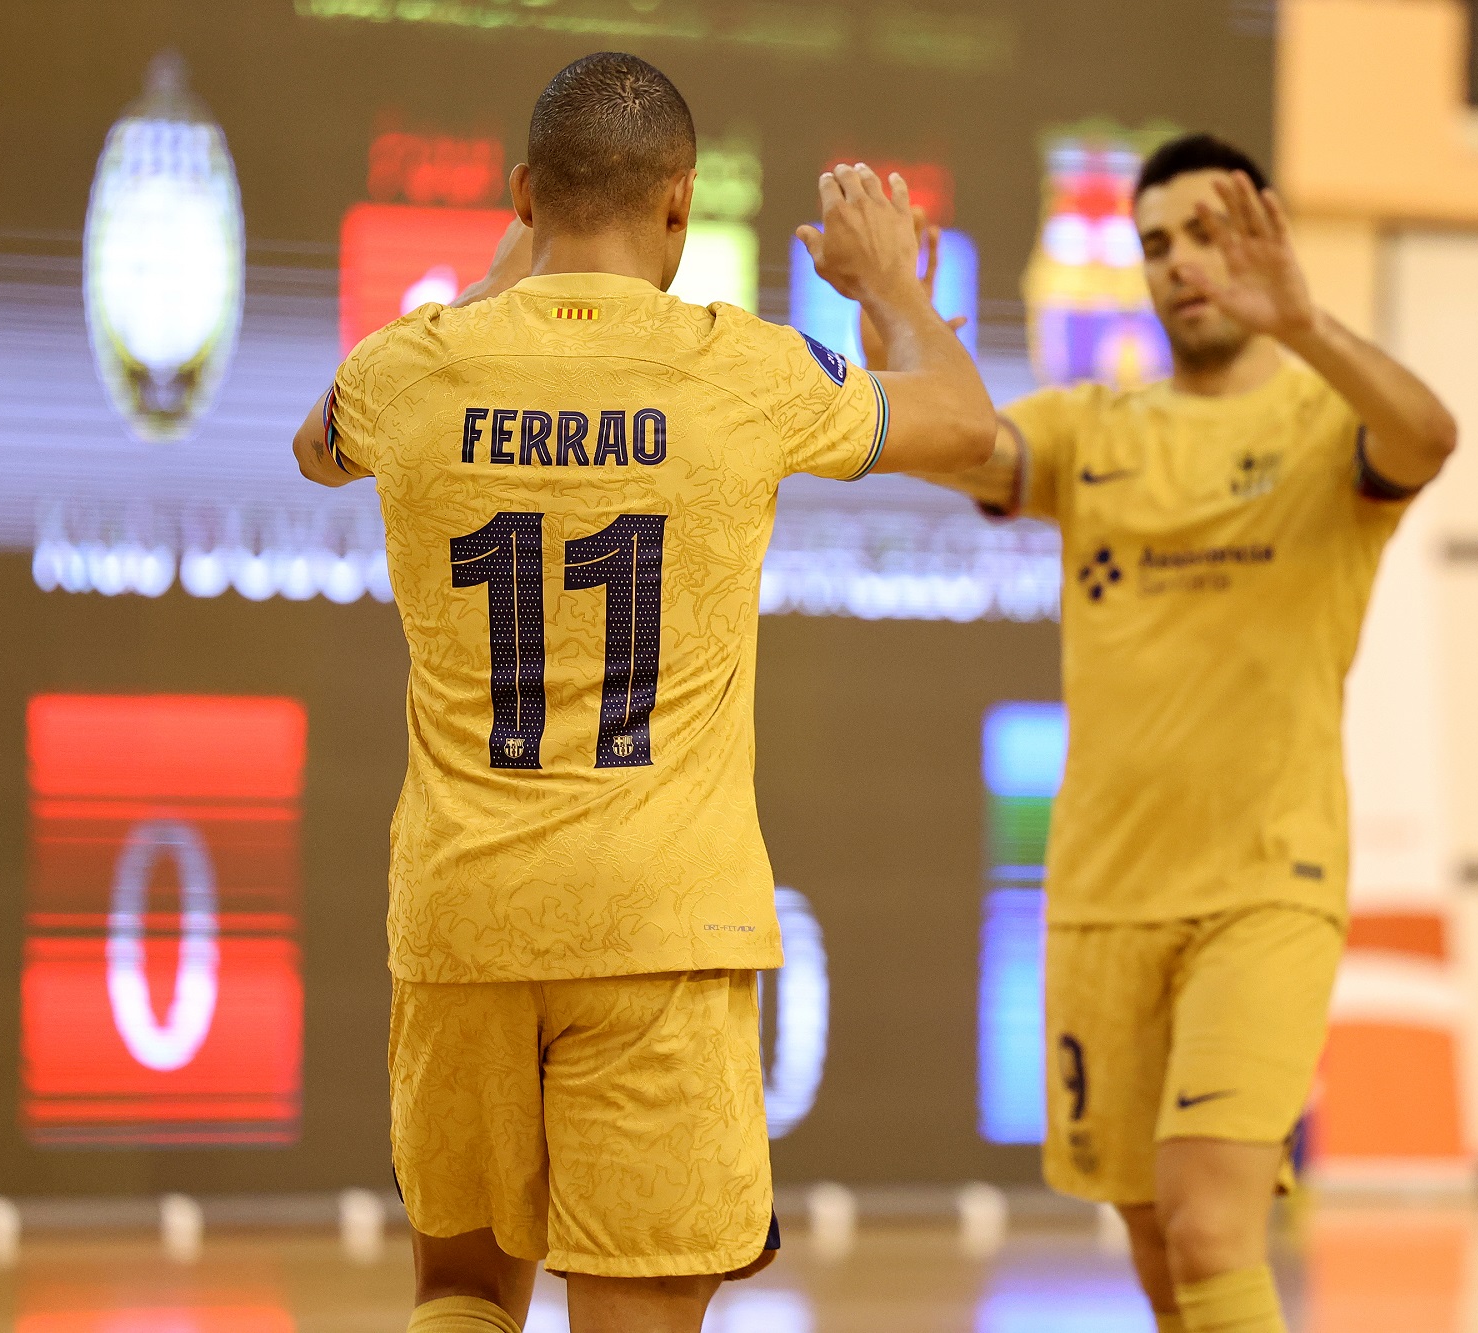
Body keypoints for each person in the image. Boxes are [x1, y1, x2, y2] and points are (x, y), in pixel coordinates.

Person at [290, 52, 993, 1333]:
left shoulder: (410, 369)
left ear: (520, 194)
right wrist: (887, 280)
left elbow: (312, 446)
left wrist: (517, 270)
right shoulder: (741, 367)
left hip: (459, 916)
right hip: (657, 925)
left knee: (457, 1291)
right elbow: (968, 428)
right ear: (681, 203)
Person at [899, 133, 1457, 1333]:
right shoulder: (1095, 427)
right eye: (1156, 245)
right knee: (1161, 1249)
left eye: (1208, 234)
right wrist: (899, 300)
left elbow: (1427, 436)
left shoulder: (1325, 426)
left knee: (1211, 1222)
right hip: (1104, 895)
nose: (1180, 264)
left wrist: (1305, 325)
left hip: (1265, 887)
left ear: (1267, 243)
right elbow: (956, 443)